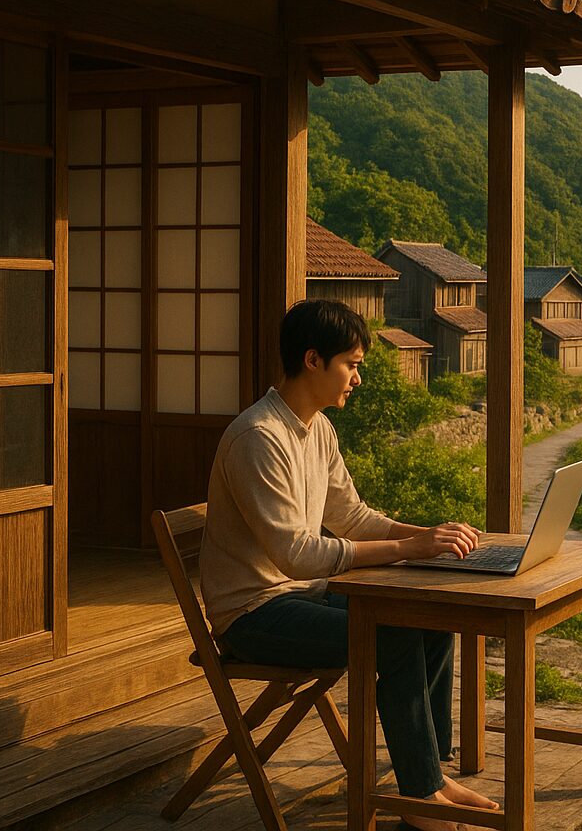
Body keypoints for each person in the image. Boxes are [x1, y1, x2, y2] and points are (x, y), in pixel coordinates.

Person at [200, 299, 496, 831]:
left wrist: (431, 536)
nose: (357, 379)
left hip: (304, 595)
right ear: (313, 360)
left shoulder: (317, 430)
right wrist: (411, 549)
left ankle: (428, 777)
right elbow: (296, 555)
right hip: (255, 613)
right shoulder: (258, 438)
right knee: (396, 636)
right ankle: (422, 791)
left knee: (427, 614)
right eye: (352, 364)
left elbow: (354, 518)